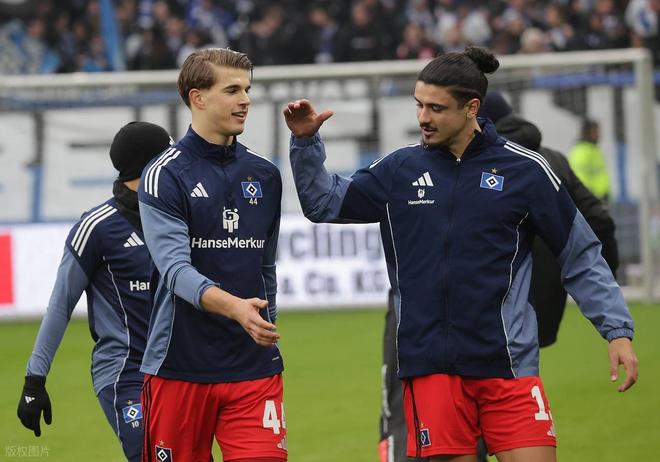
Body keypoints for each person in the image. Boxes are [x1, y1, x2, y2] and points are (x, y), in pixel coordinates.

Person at [284, 46, 638, 461]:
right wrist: (305, 143)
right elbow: (324, 203)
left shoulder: (526, 171)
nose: (423, 117)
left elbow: (580, 255)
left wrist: (616, 329)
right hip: (432, 369)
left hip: (508, 365)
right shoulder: (399, 170)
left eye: (436, 108)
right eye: (419, 104)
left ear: (472, 108)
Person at [137, 48, 286, 462]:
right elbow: (175, 270)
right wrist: (236, 308)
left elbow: (265, 266)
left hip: (253, 368)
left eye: (247, 89)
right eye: (232, 90)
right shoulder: (164, 174)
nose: (246, 100)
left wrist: (265, 322)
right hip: (179, 367)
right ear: (197, 97)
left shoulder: (265, 175)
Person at [17, 121, 174, 462]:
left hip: (181, 371)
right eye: (167, 157)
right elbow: (60, 306)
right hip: (126, 374)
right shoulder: (96, 227)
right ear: (150, 165)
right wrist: (34, 380)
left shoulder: (178, 218)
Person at [479, 91, 620, 347]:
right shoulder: (552, 159)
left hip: (489, 304)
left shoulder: (475, 164)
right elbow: (601, 221)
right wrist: (607, 281)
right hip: (547, 297)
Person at [568, 118, 611, 201]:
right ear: (587, 132)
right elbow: (580, 178)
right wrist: (589, 197)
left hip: (600, 198)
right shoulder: (581, 152)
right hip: (591, 199)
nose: (598, 135)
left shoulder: (593, 149)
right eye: (595, 132)